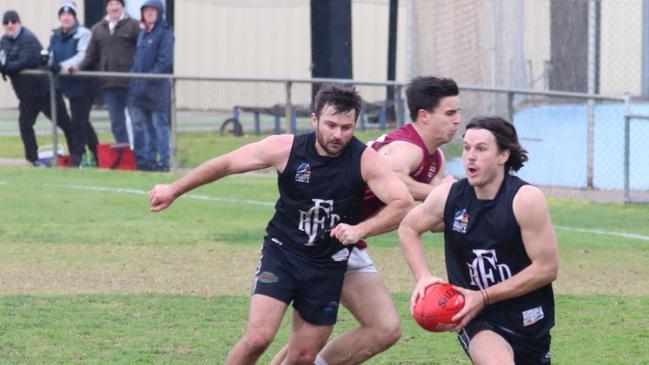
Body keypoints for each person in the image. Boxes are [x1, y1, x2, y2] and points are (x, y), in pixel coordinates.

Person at [149, 84, 415, 365]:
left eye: (346, 127)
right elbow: (226, 164)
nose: (338, 135)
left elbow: (403, 203)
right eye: (331, 125)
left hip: (327, 265)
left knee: (303, 357)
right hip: (282, 254)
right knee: (257, 339)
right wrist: (174, 189)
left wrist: (360, 230)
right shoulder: (286, 149)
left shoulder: (364, 160)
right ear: (314, 119)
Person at [271, 76, 461, 365]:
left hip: (349, 239)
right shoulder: (408, 149)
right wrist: (443, 192)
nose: (457, 120)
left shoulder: (434, 159)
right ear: (424, 115)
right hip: (325, 239)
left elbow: (426, 218)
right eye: (450, 113)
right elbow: (397, 183)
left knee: (357, 331)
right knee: (376, 328)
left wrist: (463, 211)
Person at [398, 116, 558, 365]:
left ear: (503, 156)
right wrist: (423, 276)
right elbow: (408, 227)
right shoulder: (449, 196)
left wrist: (483, 295)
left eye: (481, 149)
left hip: (528, 318)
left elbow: (546, 269)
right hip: (476, 317)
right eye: (466, 147)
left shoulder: (525, 199)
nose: (470, 156)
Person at [0, 9, 80, 166]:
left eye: (13, 22)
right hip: (26, 95)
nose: (10, 25)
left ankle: (77, 157)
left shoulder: (28, 39)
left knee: (65, 124)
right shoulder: (4, 40)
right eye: (6, 22)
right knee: (25, 125)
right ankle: (33, 159)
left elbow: (24, 62)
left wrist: (6, 67)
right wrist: (7, 66)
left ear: (19, 23)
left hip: (45, 91)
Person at [70, 0, 139, 144]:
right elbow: (90, 55)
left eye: (117, 4)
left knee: (137, 122)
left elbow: (141, 52)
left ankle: (141, 157)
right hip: (109, 85)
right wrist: (78, 67)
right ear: (106, 7)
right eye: (111, 4)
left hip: (131, 84)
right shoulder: (97, 29)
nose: (114, 8)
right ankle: (124, 155)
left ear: (122, 6)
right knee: (116, 124)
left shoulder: (134, 26)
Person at [48, 0, 99, 164]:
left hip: (83, 85)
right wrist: (47, 61)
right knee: (82, 121)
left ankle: (78, 156)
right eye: (63, 14)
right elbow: (50, 54)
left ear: (74, 16)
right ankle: (96, 152)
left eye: (69, 14)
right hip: (68, 85)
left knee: (79, 121)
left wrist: (60, 66)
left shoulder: (83, 33)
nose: (66, 17)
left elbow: (82, 56)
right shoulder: (55, 35)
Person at [128, 0, 174, 171]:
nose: (149, 13)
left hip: (157, 90)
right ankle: (148, 160)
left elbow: (165, 61)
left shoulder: (165, 33)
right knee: (144, 127)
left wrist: (147, 78)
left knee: (159, 125)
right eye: (146, 10)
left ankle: (163, 162)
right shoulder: (142, 33)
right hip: (139, 91)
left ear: (159, 12)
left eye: (152, 10)